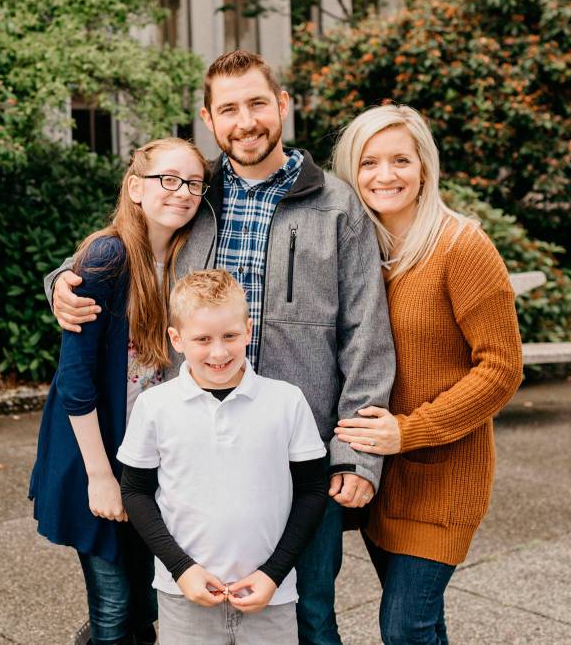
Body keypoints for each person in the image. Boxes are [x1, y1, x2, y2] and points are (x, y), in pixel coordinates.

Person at [48, 50, 396, 644]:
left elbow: (366, 335)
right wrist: (60, 281)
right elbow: (127, 248)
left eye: (258, 103)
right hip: (193, 447)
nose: (246, 120)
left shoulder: (338, 207)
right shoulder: (196, 195)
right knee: (190, 607)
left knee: (310, 615)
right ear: (210, 120)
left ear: (282, 105)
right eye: (229, 109)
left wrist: (358, 456)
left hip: (296, 453)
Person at [329, 104, 524, 644]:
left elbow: (502, 370)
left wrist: (406, 431)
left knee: (404, 628)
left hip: (443, 477)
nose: (385, 175)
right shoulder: (364, 251)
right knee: (421, 626)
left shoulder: (461, 247)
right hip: (382, 479)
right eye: (369, 162)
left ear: (424, 168)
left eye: (400, 160)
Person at [28, 138, 209, 645]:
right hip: (95, 451)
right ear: (135, 187)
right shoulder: (108, 256)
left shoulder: (185, 255)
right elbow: (76, 380)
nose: (182, 192)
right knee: (114, 604)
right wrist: (100, 477)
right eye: (167, 179)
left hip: (149, 458)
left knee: (148, 598)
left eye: (193, 183)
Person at [118, 269, 328, 644]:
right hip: (184, 596)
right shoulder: (154, 407)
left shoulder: (286, 400)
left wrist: (273, 573)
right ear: (177, 339)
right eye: (202, 339)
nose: (219, 352)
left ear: (248, 330)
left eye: (230, 336)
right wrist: (182, 569)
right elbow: (135, 492)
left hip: (270, 595)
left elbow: (312, 490)